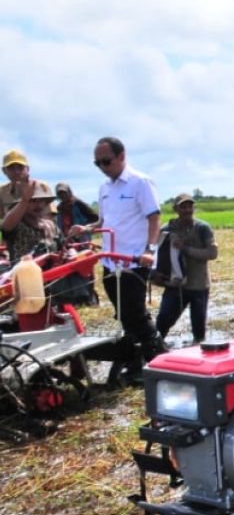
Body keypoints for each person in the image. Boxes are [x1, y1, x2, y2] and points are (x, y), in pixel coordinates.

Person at [71, 136, 164, 377]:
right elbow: (104, 221)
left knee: (135, 314)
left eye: (107, 161)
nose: (103, 167)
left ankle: (159, 361)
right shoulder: (104, 188)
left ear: (122, 156)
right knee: (123, 314)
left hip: (133, 260)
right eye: (98, 163)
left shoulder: (140, 182)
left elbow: (154, 218)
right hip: (110, 261)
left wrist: (149, 250)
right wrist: (86, 229)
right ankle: (135, 361)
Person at [154, 193, 218, 344]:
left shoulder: (203, 228)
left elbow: (212, 253)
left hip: (198, 285)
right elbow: (158, 252)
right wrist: (155, 273)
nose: (187, 209)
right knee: (162, 322)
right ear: (175, 209)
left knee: (199, 331)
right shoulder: (167, 229)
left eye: (190, 206)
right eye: (183, 206)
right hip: (175, 284)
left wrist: (185, 249)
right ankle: (152, 352)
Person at [1, 181, 61, 260]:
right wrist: (24, 200)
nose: (38, 205)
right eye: (32, 201)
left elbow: (63, 247)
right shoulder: (16, 224)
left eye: (42, 200)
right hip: (24, 271)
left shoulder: (50, 225)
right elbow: (6, 227)